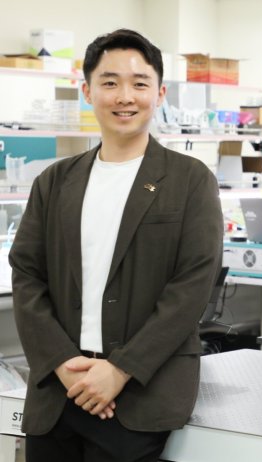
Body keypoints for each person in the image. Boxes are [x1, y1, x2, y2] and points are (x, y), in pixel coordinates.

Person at [10, 29, 223, 462]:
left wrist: (121, 369)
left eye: (139, 83)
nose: (124, 96)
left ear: (159, 93)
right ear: (88, 91)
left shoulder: (189, 180)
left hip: (140, 397)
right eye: (109, 83)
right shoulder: (54, 181)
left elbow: (191, 287)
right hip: (58, 392)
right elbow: (27, 275)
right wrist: (63, 364)